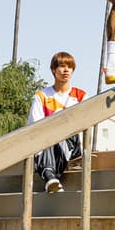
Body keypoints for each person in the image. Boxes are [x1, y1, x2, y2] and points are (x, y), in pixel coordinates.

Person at [27, 51, 86, 193]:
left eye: (69, 67)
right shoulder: (41, 96)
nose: (66, 70)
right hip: (47, 144)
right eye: (61, 66)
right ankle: (51, 179)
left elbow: (82, 125)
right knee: (44, 135)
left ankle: (49, 176)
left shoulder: (80, 96)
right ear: (53, 69)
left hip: (71, 145)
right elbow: (35, 125)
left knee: (51, 133)